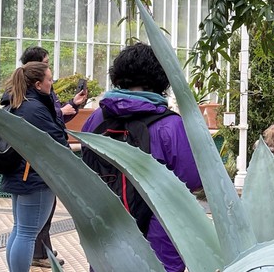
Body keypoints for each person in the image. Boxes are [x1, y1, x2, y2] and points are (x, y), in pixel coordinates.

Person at [81, 43, 202, 272]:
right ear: (161, 78)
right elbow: (191, 181)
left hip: (107, 238)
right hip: (160, 242)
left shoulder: (96, 120)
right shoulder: (171, 126)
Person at [19, 46, 87, 267]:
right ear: (37, 79)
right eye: (47, 68)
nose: (52, 79)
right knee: (27, 231)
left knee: (25, 229)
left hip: (31, 171)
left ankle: (41, 250)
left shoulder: (27, 98)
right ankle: (37, 252)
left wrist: (72, 106)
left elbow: (49, 123)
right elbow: (48, 129)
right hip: (36, 172)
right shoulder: (33, 104)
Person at [0, 62, 69, 272]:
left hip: (18, 174)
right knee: (28, 233)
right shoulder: (35, 108)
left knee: (20, 229)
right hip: (35, 177)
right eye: (49, 79)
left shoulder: (17, 103)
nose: (52, 83)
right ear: (38, 84)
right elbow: (57, 141)